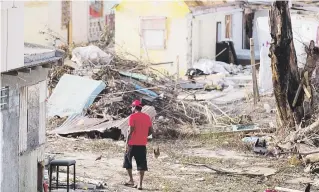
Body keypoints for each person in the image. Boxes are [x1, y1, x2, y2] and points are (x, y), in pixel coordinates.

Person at [123, 100, 153, 190]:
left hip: (132, 144)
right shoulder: (147, 117)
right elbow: (151, 131)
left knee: (127, 161)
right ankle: (140, 184)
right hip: (142, 144)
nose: (131, 109)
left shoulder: (132, 117)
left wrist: (126, 144)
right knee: (141, 164)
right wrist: (143, 135)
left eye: (132, 107)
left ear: (134, 107)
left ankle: (131, 180)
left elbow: (130, 131)